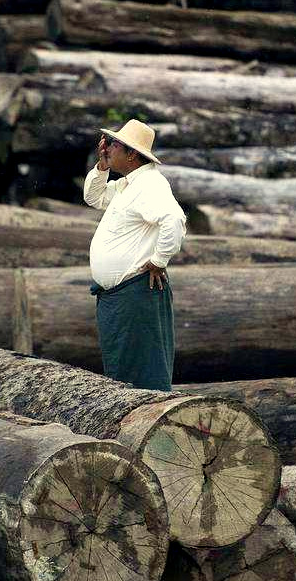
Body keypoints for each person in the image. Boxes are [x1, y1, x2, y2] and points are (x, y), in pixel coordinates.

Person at [83, 119, 186, 392]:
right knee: (122, 373)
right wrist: (102, 167)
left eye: (114, 144)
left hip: (137, 292)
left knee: (142, 373)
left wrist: (158, 260)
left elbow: (174, 220)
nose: (108, 147)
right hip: (120, 296)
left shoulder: (149, 184)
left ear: (131, 154)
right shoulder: (128, 184)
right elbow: (94, 198)